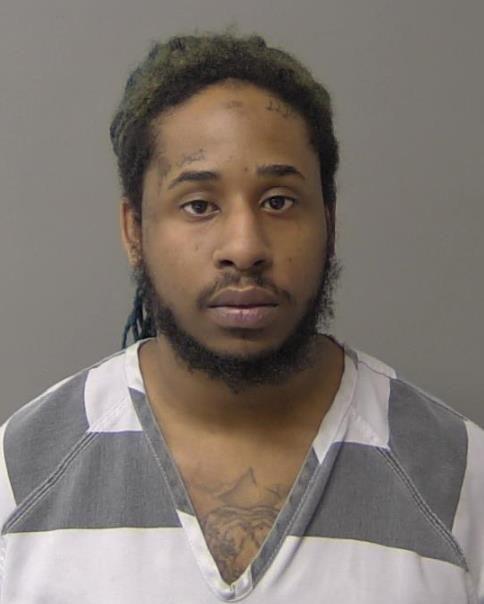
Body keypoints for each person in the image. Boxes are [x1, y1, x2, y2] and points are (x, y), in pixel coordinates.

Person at [0, 30, 482, 604]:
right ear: (134, 231)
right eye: (199, 205)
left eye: (279, 201)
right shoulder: (19, 477)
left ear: (329, 221)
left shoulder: (461, 480)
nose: (245, 247)